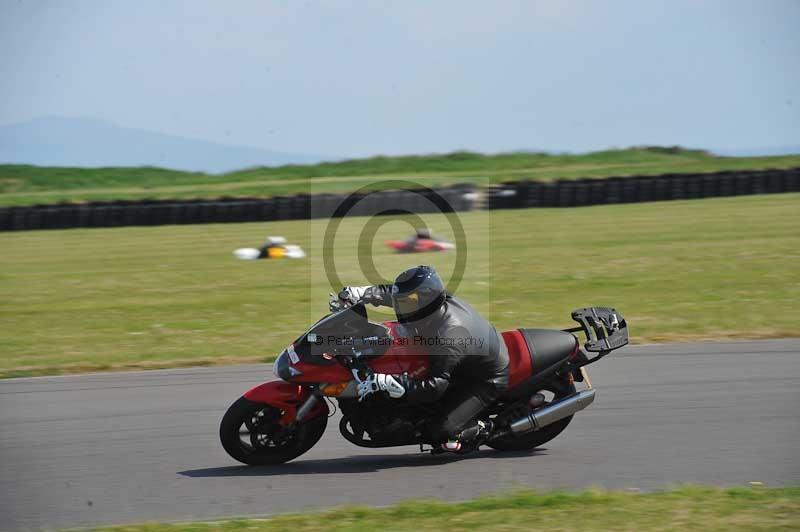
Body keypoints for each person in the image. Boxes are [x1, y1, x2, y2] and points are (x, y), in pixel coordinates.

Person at [336, 265, 509, 452]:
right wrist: (362, 293)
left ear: (426, 302)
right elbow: (397, 295)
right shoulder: (433, 304)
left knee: (441, 431)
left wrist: (393, 383)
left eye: (408, 303)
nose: (400, 307)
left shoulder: (449, 336)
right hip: (467, 355)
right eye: (403, 302)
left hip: (485, 377)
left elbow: (435, 386)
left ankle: (487, 428)